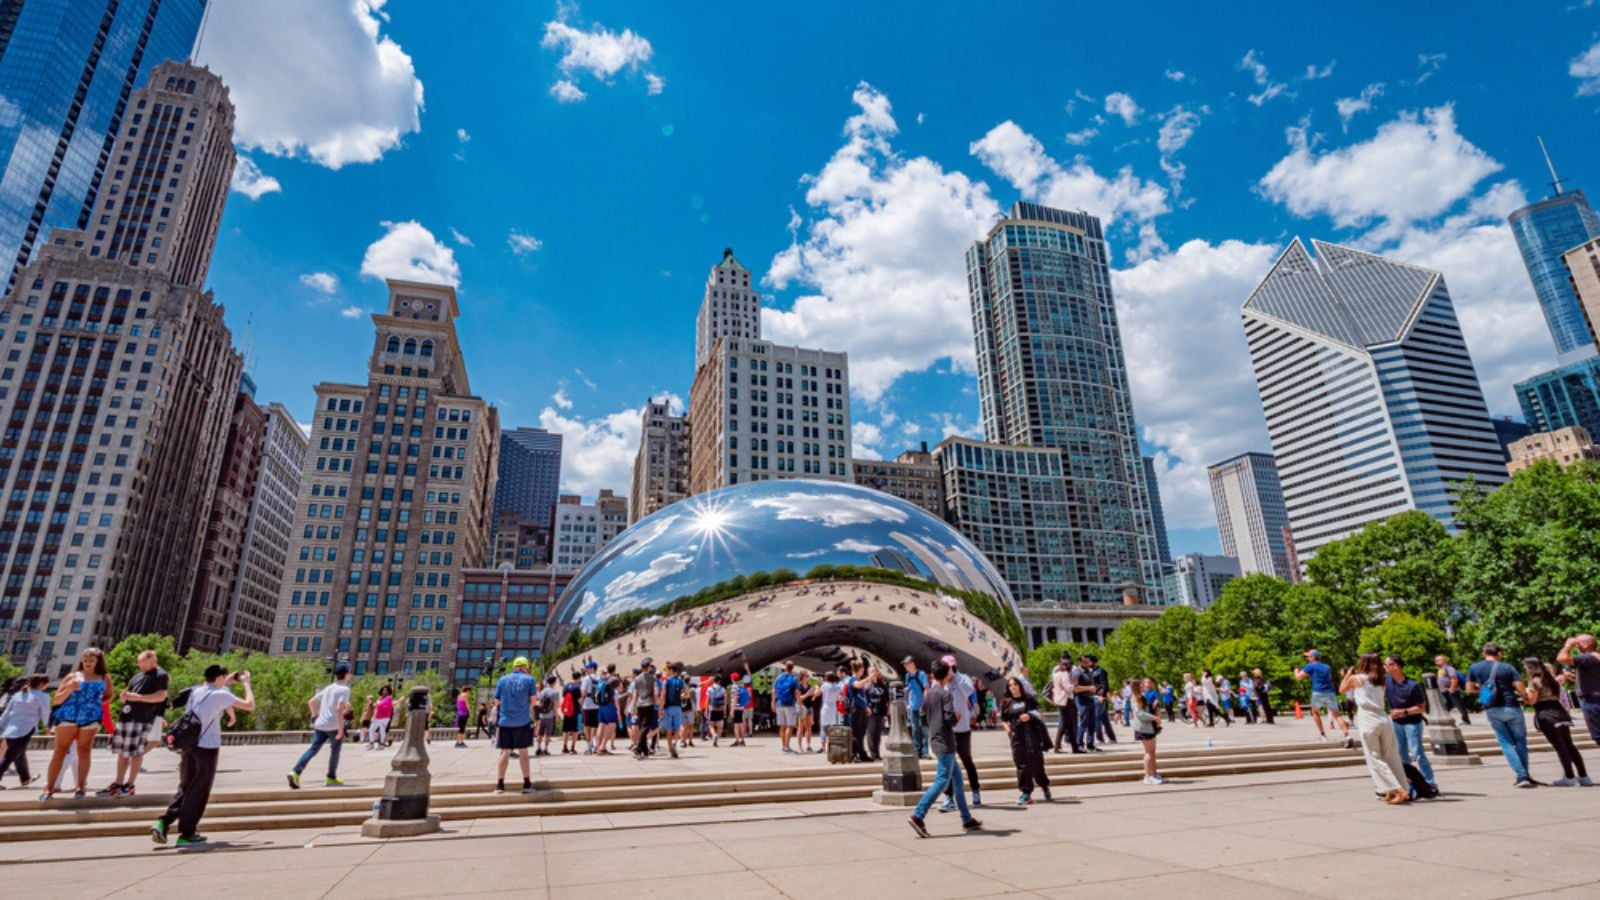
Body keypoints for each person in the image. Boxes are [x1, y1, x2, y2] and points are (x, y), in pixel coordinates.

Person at [151, 665, 254, 847]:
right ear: (219, 677)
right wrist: (246, 684)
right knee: (199, 791)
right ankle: (187, 834)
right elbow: (249, 705)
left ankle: (163, 822)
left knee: (185, 787)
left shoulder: (196, 691)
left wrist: (226, 681)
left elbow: (211, 690)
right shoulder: (221, 695)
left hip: (189, 745)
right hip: (207, 747)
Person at [908, 659, 982, 837]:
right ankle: (918, 815)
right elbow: (950, 718)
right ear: (948, 674)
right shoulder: (945, 693)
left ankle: (966, 818)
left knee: (957, 779)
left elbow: (923, 715)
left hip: (934, 738)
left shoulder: (930, 694)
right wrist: (956, 716)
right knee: (942, 780)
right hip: (946, 741)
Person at [42, 647, 112, 800]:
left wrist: (97, 703)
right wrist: (69, 688)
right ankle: (49, 788)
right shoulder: (72, 676)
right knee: (60, 750)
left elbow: (108, 696)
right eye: (85, 660)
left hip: (90, 717)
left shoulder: (104, 677)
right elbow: (57, 699)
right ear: (81, 661)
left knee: (85, 750)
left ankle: (80, 786)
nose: (88, 663)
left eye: (91, 660)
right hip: (68, 715)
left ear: (97, 662)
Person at [1340, 653, 1410, 804]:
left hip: (1368, 717)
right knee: (1391, 755)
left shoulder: (1357, 678)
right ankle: (1393, 791)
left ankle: (1397, 788)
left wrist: (1348, 675)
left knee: (1374, 757)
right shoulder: (1380, 680)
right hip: (1383, 717)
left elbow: (1341, 689)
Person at [1466, 643, 1535, 788]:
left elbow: (1469, 689)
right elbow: (1519, 685)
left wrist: (1482, 687)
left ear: (1484, 653)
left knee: (1505, 743)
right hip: (1512, 706)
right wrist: (1525, 697)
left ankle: (1521, 776)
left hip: (1492, 708)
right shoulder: (1507, 667)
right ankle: (1524, 775)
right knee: (1520, 741)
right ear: (1499, 653)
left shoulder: (1475, 668)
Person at [101, 650, 168, 798]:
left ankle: (129, 784)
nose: (140, 666)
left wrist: (138, 698)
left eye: (143, 664)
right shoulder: (138, 676)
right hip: (126, 716)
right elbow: (131, 695)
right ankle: (118, 783)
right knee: (122, 753)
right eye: (139, 663)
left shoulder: (160, 675)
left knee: (135, 753)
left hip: (142, 718)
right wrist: (125, 696)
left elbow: (160, 697)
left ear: (152, 660)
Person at [1522, 656, 1590, 786]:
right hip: (1560, 712)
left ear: (1531, 667)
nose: (1525, 669)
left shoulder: (1535, 681)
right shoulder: (1551, 680)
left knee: (1560, 747)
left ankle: (1569, 776)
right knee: (1570, 745)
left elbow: (1532, 701)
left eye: (1526, 666)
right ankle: (1583, 776)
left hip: (1546, 713)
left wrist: (1525, 695)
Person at [287, 663, 351, 789]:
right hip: (333, 725)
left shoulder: (329, 688)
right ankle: (331, 777)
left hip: (320, 724)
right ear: (346, 674)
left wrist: (315, 716)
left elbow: (311, 702)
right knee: (335, 751)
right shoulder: (345, 689)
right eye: (349, 672)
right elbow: (339, 709)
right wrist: (340, 728)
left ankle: (295, 772)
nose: (351, 674)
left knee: (313, 749)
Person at [1383, 656, 1435, 796]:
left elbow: (1421, 708)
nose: (1385, 667)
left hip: (1412, 723)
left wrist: (1404, 711)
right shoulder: (1387, 681)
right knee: (1401, 755)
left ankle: (1430, 783)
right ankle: (1411, 784)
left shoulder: (1412, 685)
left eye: (1388, 664)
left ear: (1396, 666)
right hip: (1396, 724)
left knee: (1417, 753)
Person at [999, 676, 1051, 805]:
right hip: (1017, 738)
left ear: (1020, 686)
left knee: (1037, 765)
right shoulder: (1006, 702)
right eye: (1010, 685)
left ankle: (1044, 785)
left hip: (1032, 736)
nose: (1013, 687)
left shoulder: (1029, 699)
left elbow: (1040, 714)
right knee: (1021, 766)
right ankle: (1025, 792)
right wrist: (1009, 731)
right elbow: (1003, 719)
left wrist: (1030, 716)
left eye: (1015, 684)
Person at [941, 655, 983, 808]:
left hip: (962, 728)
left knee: (967, 760)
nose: (949, 670)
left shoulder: (963, 678)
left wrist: (955, 677)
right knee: (948, 764)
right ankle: (949, 797)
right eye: (947, 667)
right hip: (947, 729)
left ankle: (975, 791)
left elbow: (968, 690)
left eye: (951, 666)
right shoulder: (941, 681)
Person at [492, 657, 537, 794]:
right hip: (522, 721)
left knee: (504, 751)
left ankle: (500, 785)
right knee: (523, 751)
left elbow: (496, 701)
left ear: (514, 667)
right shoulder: (530, 680)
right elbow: (534, 702)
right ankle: (527, 784)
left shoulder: (502, 680)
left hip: (505, 721)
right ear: (525, 667)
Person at [1295, 650, 1353, 747]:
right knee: (1337, 714)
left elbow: (1298, 677)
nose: (1307, 658)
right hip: (1330, 691)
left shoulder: (1310, 666)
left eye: (1308, 656)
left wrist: (1296, 671)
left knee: (1315, 712)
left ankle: (1323, 735)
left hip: (1317, 692)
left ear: (1313, 657)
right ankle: (1347, 735)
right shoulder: (1327, 667)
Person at [0, 674, 49, 788]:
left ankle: (25, 778)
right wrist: (47, 725)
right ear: (42, 684)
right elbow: (45, 713)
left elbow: (7, 713)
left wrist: (1, 725)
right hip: (26, 728)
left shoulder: (18, 695)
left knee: (19, 753)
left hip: (11, 727)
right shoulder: (42, 696)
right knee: (10, 755)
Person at [1556, 634, 1600, 747]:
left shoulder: (1587, 657)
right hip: (1595, 696)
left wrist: (1567, 645)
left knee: (1598, 735)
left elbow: (1561, 658)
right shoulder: (1596, 656)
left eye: (1577, 644)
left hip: (1591, 700)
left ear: (1585, 645)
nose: (1575, 647)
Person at [1132, 690, 1166, 785]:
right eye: (1142, 685)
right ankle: (1148, 776)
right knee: (1149, 752)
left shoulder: (1142, 695)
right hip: (1143, 728)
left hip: (1149, 727)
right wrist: (1153, 717)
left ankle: (1154, 774)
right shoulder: (1136, 696)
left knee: (1152, 752)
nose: (1145, 686)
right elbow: (1139, 713)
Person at [1050, 655, 1080, 753]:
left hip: (1060, 700)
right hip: (1066, 700)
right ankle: (1057, 746)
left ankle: (1074, 747)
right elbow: (1068, 688)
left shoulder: (1055, 673)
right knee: (1064, 723)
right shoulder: (1064, 674)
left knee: (1069, 724)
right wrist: (1074, 684)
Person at [902, 656, 930, 758]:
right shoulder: (907, 676)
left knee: (924, 729)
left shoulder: (921, 674)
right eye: (904, 664)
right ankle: (917, 750)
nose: (905, 666)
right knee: (914, 729)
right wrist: (907, 704)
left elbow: (926, 689)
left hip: (921, 706)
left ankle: (925, 751)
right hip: (912, 706)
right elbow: (908, 690)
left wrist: (924, 704)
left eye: (907, 664)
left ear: (912, 664)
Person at [630, 659, 658, 759]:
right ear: (649, 666)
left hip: (640, 704)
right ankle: (638, 748)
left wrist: (633, 706)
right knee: (646, 726)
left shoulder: (637, 679)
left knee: (642, 726)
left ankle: (644, 751)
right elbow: (655, 693)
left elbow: (635, 694)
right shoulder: (653, 678)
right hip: (649, 704)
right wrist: (657, 704)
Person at [1434, 655, 1471, 726]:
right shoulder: (1440, 670)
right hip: (1444, 691)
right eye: (1436, 660)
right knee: (1446, 705)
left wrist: (1452, 688)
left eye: (1439, 660)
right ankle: (1444, 719)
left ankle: (1466, 720)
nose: (1437, 661)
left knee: (1459, 705)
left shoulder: (1449, 668)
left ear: (1444, 660)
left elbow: (1454, 678)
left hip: (1452, 690)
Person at [659, 663, 685, 759]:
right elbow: (686, 693)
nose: (667, 672)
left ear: (671, 670)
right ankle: (675, 743)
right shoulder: (681, 681)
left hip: (668, 707)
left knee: (669, 729)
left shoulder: (667, 681)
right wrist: (681, 696)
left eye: (668, 670)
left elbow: (663, 695)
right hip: (678, 707)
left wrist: (661, 707)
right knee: (677, 727)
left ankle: (670, 749)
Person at [773, 660, 801, 753]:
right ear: (792, 668)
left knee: (782, 726)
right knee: (790, 725)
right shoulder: (794, 678)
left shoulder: (778, 677)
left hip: (779, 704)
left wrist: (772, 703)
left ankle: (783, 746)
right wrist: (799, 704)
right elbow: (797, 692)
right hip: (790, 704)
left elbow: (773, 691)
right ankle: (787, 746)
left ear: (785, 667)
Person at [864, 668, 890, 762]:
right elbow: (864, 698)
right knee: (871, 733)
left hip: (880, 711)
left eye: (875, 671)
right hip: (871, 712)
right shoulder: (867, 685)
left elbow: (887, 698)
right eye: (871, 671)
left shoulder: (882, 684)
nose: (873, 673)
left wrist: (887, 709)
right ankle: (873, 754)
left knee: (878, 734)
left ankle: (877, 753)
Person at [817, 671, 842, 754]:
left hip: (825, 707)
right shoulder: (838, 687)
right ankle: (830, 745)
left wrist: (817, 687)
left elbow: (817, 693)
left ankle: (823, 746)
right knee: (832, 727)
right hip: (833, 707)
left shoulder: (824, 685)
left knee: (823, 727)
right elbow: (840, 696)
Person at [560, 670, 582, 754]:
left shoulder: (565, 686)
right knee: (575, 730)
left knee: (565, 730)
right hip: (575, 710)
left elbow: (564, 698)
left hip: (567, 710)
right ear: (578, 678)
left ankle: (564, 747)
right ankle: (573, 748)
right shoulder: (577, 687)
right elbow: (579, 700)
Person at [367, 685, 395, 750]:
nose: (384, 691)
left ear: (389, 691)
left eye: (386, 690)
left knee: (382, 730)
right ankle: (371, 743)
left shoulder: (389, 698)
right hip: (377, 717)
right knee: (371, 729)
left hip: (384, 717)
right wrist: (372, 704)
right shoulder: (380, 698)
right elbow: (377, 706)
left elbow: (382, 705)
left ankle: (381, 744)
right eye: (383, 690)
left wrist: (378, 703)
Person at [706, 674, 728, 747]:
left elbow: (707, 700)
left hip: (712, 708)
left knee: (710, 725)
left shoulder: (710, 688)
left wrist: (706, 710)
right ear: (719, 681)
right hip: (720, 709)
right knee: (719, 726)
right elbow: (725, 701)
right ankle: (717, 739)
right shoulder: (723, 689)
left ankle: (713, 735)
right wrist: (725, 710)